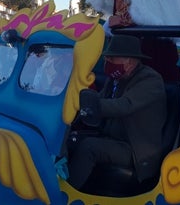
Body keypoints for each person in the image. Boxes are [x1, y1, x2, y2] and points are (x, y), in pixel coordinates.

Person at [67, 34, 167, 191]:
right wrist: (74, 105)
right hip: (112, 137)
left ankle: (64, 196)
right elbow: (99, 98)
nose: (107, 62)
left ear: (129, 61)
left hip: (135, 150)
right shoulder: (116, 78)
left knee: (89, 147)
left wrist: (88, 104)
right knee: (70, 139)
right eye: (107, 58)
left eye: (112, 59)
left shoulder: (150, 80)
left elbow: (124, 105)